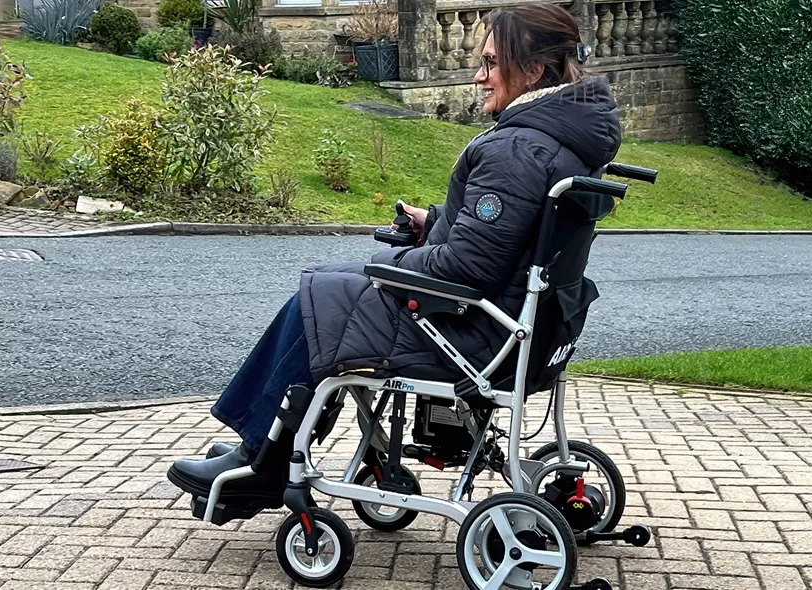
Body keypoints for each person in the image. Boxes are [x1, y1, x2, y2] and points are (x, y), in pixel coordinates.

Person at [168, 1, 621, 503]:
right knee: (333, 294)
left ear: (534, 70)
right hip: (529, 331)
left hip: (476, 339)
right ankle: (264, 446)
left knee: (318, 296)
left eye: (491, 63)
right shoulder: (565, 141)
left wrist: (388, 268)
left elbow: (468, 268)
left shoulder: (517, 149)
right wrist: (437, 223)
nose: (478, 76)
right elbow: (507, 238)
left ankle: (260, 462)